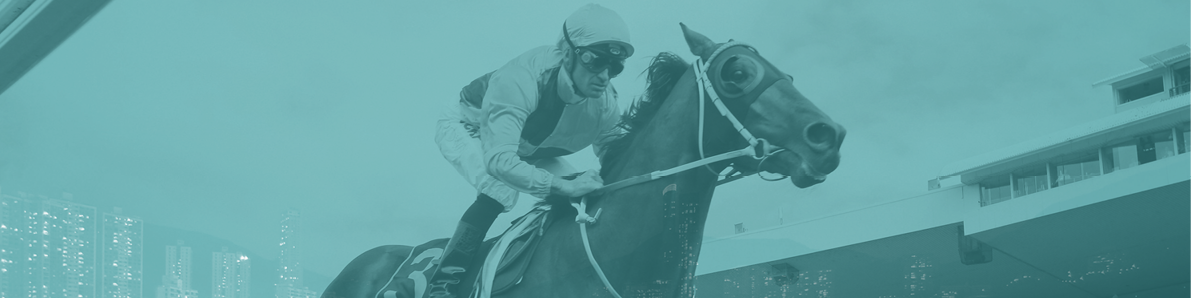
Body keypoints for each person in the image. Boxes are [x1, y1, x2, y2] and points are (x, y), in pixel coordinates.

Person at [429, 4, 634, 297]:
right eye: (595, 61)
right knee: (500, 188)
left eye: (614, 67)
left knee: (588, 195)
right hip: (470, 124)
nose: (604, 76)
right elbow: (499, 160)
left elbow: (619, 159)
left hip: (528, 145)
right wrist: (562, 185)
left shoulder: (605, 105)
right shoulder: (521, 79)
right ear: (567, 54)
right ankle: (443, 284)